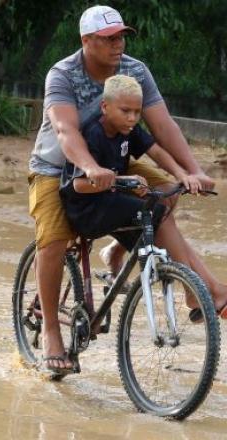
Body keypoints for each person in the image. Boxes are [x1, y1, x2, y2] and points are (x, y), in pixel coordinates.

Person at [28, 5, 218, 373]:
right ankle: (52, 331)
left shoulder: (135, 70)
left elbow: (162, 128)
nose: (118, 45)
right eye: (109, 38)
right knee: (52, 238)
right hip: (60, 165)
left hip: (115, 158)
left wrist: (193, 171)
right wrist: (89, 167)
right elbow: (66, 131)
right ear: (87, 41)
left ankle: (119, 250)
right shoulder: (63, 74)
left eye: (121, 37)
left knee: (167, 190)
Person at [59, 75, 227, 331]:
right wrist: (117, 179)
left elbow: (156, 151)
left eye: (137, 112)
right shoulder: (93, 134)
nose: (132, 118)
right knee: (155, 212)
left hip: (111, 202)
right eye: (126, 111)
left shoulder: (129, 130)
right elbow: (78, 184)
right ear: (105, 107)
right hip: (87, 210)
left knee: (161, 203)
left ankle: (189, 283)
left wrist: (184, 176)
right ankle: (193, 287)